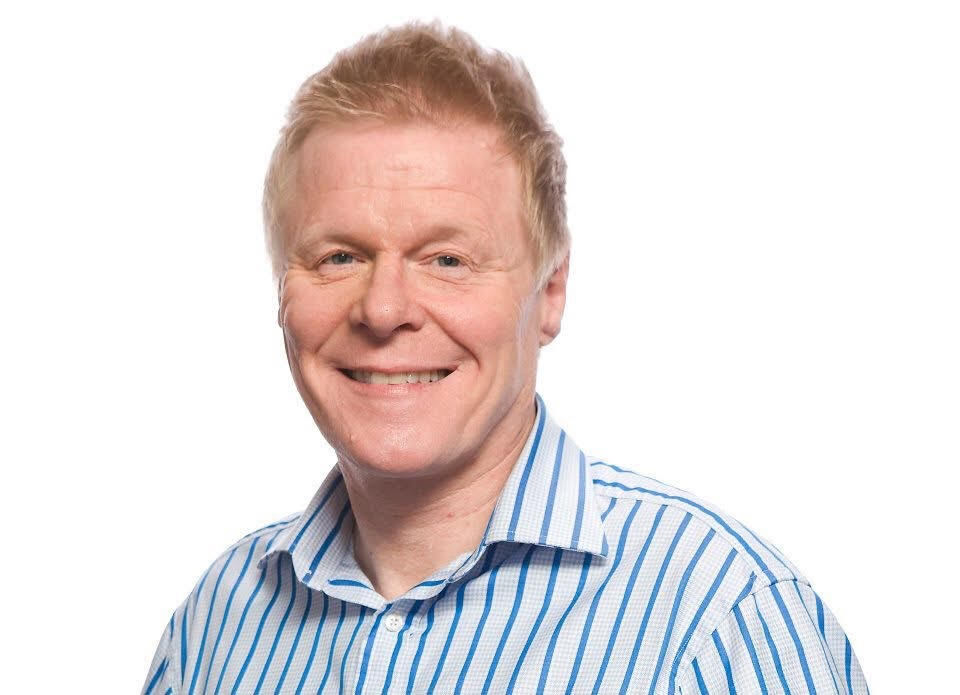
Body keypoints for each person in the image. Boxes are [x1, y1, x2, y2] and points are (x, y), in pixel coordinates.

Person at [142, 21, 869, 695]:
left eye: (447, 258)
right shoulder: (214, 627)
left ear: (550, 292)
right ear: (281, 289)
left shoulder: (719, 620)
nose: (385, 308)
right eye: (339, 256)